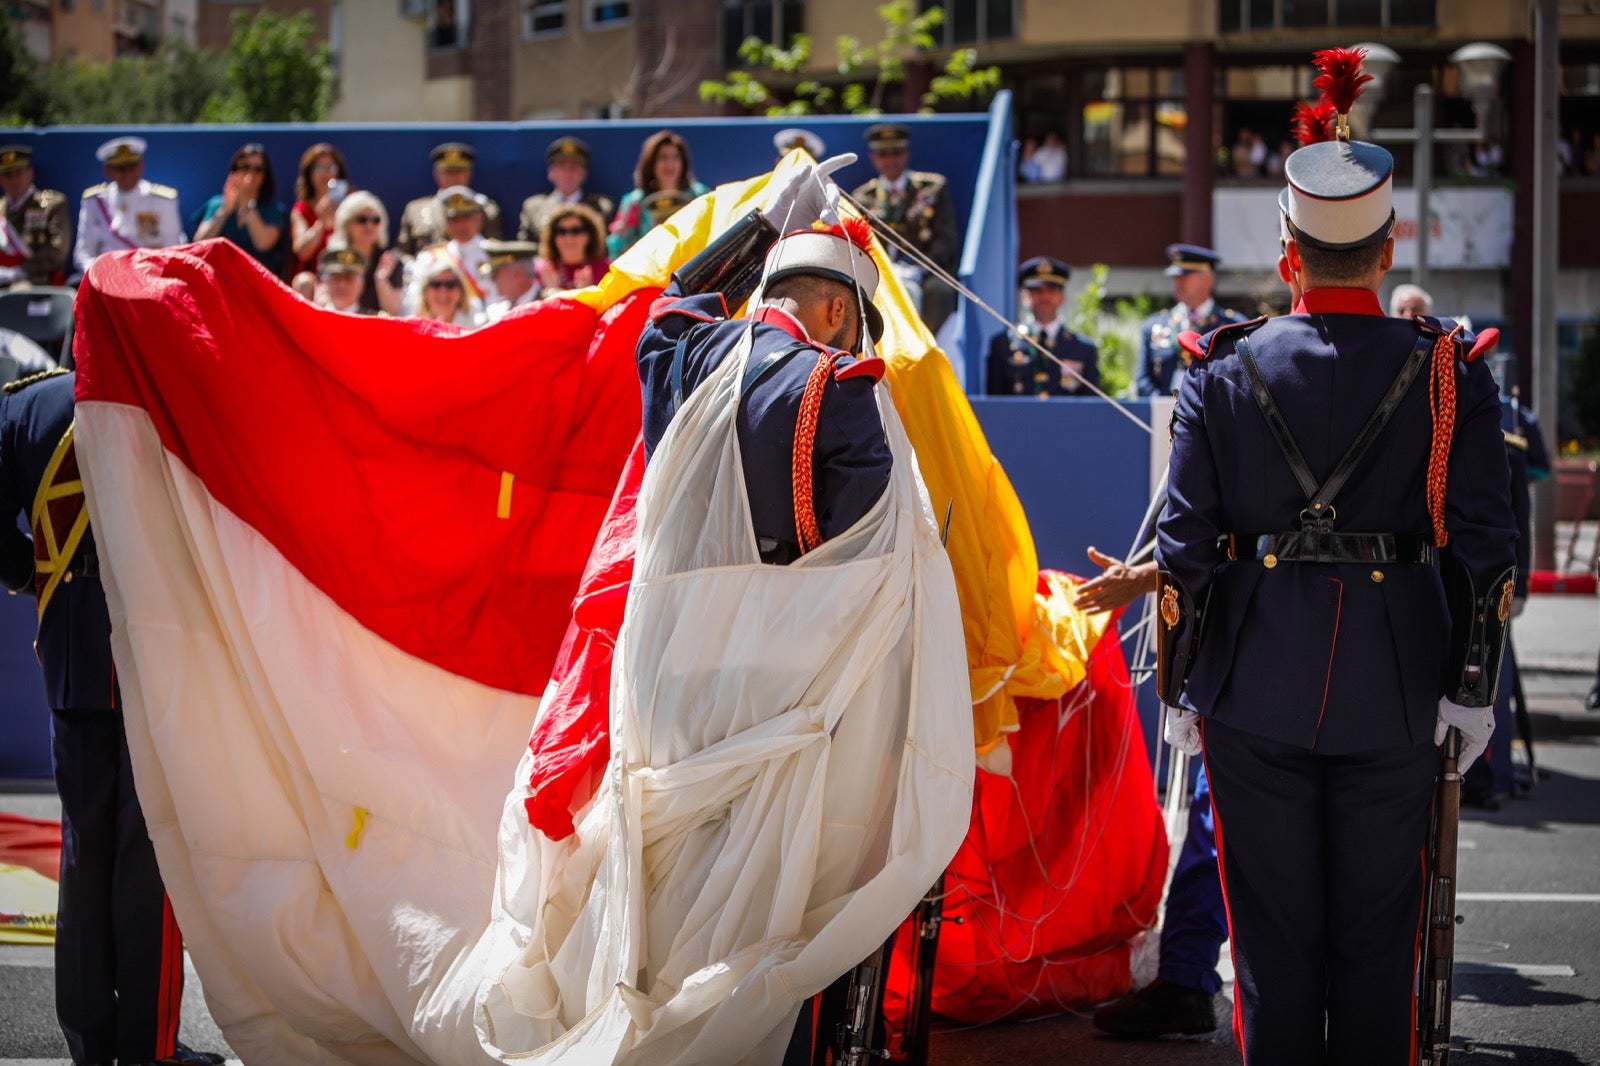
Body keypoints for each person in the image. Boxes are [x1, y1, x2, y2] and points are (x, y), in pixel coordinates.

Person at [1155, 61, 1518, 1062]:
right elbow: (1488, 551)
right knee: (1376, 949)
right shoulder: (1448, 372)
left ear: (1286, 254)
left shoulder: (1220, 368)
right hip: (1396, 691)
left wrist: (1179, 687)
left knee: (1269, 954)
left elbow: (1184, 544)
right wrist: (1471, 688)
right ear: (1389, 243)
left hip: (1250, 691)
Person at [1, 369, 224, 1066]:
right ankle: (147, 1046)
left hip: (72, 649)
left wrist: (31, 575)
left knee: (84, 851)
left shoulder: (31, 403)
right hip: (154, 648)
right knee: (149, 856)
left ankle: (90, 1042)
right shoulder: (171, 390)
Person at [637, 152, 888, 566]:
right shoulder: (838, 385)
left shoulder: (674, 351)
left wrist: (765, 226)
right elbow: (862, 551)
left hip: (669, 613)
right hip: (781, 620)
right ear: (837, 311)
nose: (854, 350)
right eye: (857, 336)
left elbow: (671, 305)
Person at [850, 122, 959, 334]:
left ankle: (924, 345)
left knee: (940, 291)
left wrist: (921, 268)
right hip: (881, 272)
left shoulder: (932, 188)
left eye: (896, 152)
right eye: (883, 154)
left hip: (923, 271)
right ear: (873, 157)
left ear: (906, 154)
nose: (890, 160)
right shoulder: (863, 197)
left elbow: (946, 238)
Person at [1136, 244, 1247, 397]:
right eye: (1176, 277)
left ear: (1207, 279)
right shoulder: (1154, 326)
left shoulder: (1233, 326)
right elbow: (1142, 381)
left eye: (1185, 276)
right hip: (1163, 415)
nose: (1178, 283)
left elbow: (1241, 379)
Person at [72, 138, 185, 281]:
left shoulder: (162, 200)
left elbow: (173, 246)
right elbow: (83, 251)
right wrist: (98, 274)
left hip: (149, 277)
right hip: (107, 278)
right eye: (120, 168)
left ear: (141, 166)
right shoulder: (95, 201)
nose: (127, 173)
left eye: (132, 166)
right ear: (108, 170)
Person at [985, 256, 1099, 396]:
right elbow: (995, 400)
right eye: (1037, 291)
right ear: (1026, 297)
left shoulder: (1083, 348)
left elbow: (1089, 405)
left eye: (1051, 290)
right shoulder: (1003, 344)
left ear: (1062, 297)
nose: (1044, 297)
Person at [607, 130, 710, 257]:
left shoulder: (699, 195)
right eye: (663, 157)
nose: (670, 164)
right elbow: (617, 248)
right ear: (651, 163)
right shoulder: (635, 201)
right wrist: (621, 236)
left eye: (675, 157)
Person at [191, 143, 288, 277]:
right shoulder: (216, 204)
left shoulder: (273, 210)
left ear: (265, 176)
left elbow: (263, 244)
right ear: (233, 171)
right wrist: (225, 210)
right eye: (244, 167)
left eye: (258, 169)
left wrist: (247, 205)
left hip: (257, 281)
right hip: (218, 278)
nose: (250, 174)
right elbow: (199, 242)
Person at [395, 142, 503, 259]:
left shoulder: (486, 209)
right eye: (448, 171)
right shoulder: (415, 210)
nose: (453, 177)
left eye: (459, 171)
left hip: (473, 274)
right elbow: (402, 253)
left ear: (469, 173)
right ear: (436, 174)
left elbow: (495, 250)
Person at [406, 186, 493, 312]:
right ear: (445, 222)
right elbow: (413, 303)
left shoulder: (495, 254)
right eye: (454, 219)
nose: (460, 225)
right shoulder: (430, 258)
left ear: (479, 219)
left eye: (466, 217)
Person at [516, 136, 615, 245]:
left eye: (574, 167)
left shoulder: (602, 207)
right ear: (550, 172)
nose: (568, 173)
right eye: (561, 166)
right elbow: (525, 247)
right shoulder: (534, 207)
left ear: (584, 173)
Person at [0, 144, 72, 288]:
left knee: (17, 295)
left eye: (18, 173)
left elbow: (56, 250)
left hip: (37, 279)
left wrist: (19, 271)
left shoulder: (51, 204)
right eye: (8, 175)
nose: (14, 180)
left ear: (30, 172)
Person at [330, 190, 402, 316]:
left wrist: (381, 280)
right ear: (347, 224)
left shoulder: (390, 260)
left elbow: (393, 313)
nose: (369, 225)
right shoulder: (333, 257)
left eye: (375, 220)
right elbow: (322, 300)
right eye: (362, 219)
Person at [287, 142, 351, 279]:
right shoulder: (301, 210)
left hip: (345, 275)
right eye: (319, 168)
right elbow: (302, 251)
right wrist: (321, 222)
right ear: (309, 174)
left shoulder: (351, 204)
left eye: (330, 167)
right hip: (313, 279)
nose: (326, 173)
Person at [534, 203, 609, 292]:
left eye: (576, 231)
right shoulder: (541, 269)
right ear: (552, 237)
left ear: (589, 235)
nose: (568, 239)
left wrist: (587, 294)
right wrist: (551, 291)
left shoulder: (606, 269)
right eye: (561, 231)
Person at [407, 254, 483, 328]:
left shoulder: (478, 326)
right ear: (425, 291)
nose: (443, 291)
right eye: (436, 284)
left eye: (450, 284)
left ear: (461, 291)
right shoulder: (411, 327)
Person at [480, 239, 540, 321]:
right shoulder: (502, 310)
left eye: (496, 273)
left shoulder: (550, 304)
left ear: (517, 274)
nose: (493, 279)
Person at [314, 246, 371, 315]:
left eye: (349, 278)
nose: (342, 284)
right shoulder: (311, 318)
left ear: (361, 285)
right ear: (324, 281)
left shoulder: (374, 322)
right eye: (336, 277)